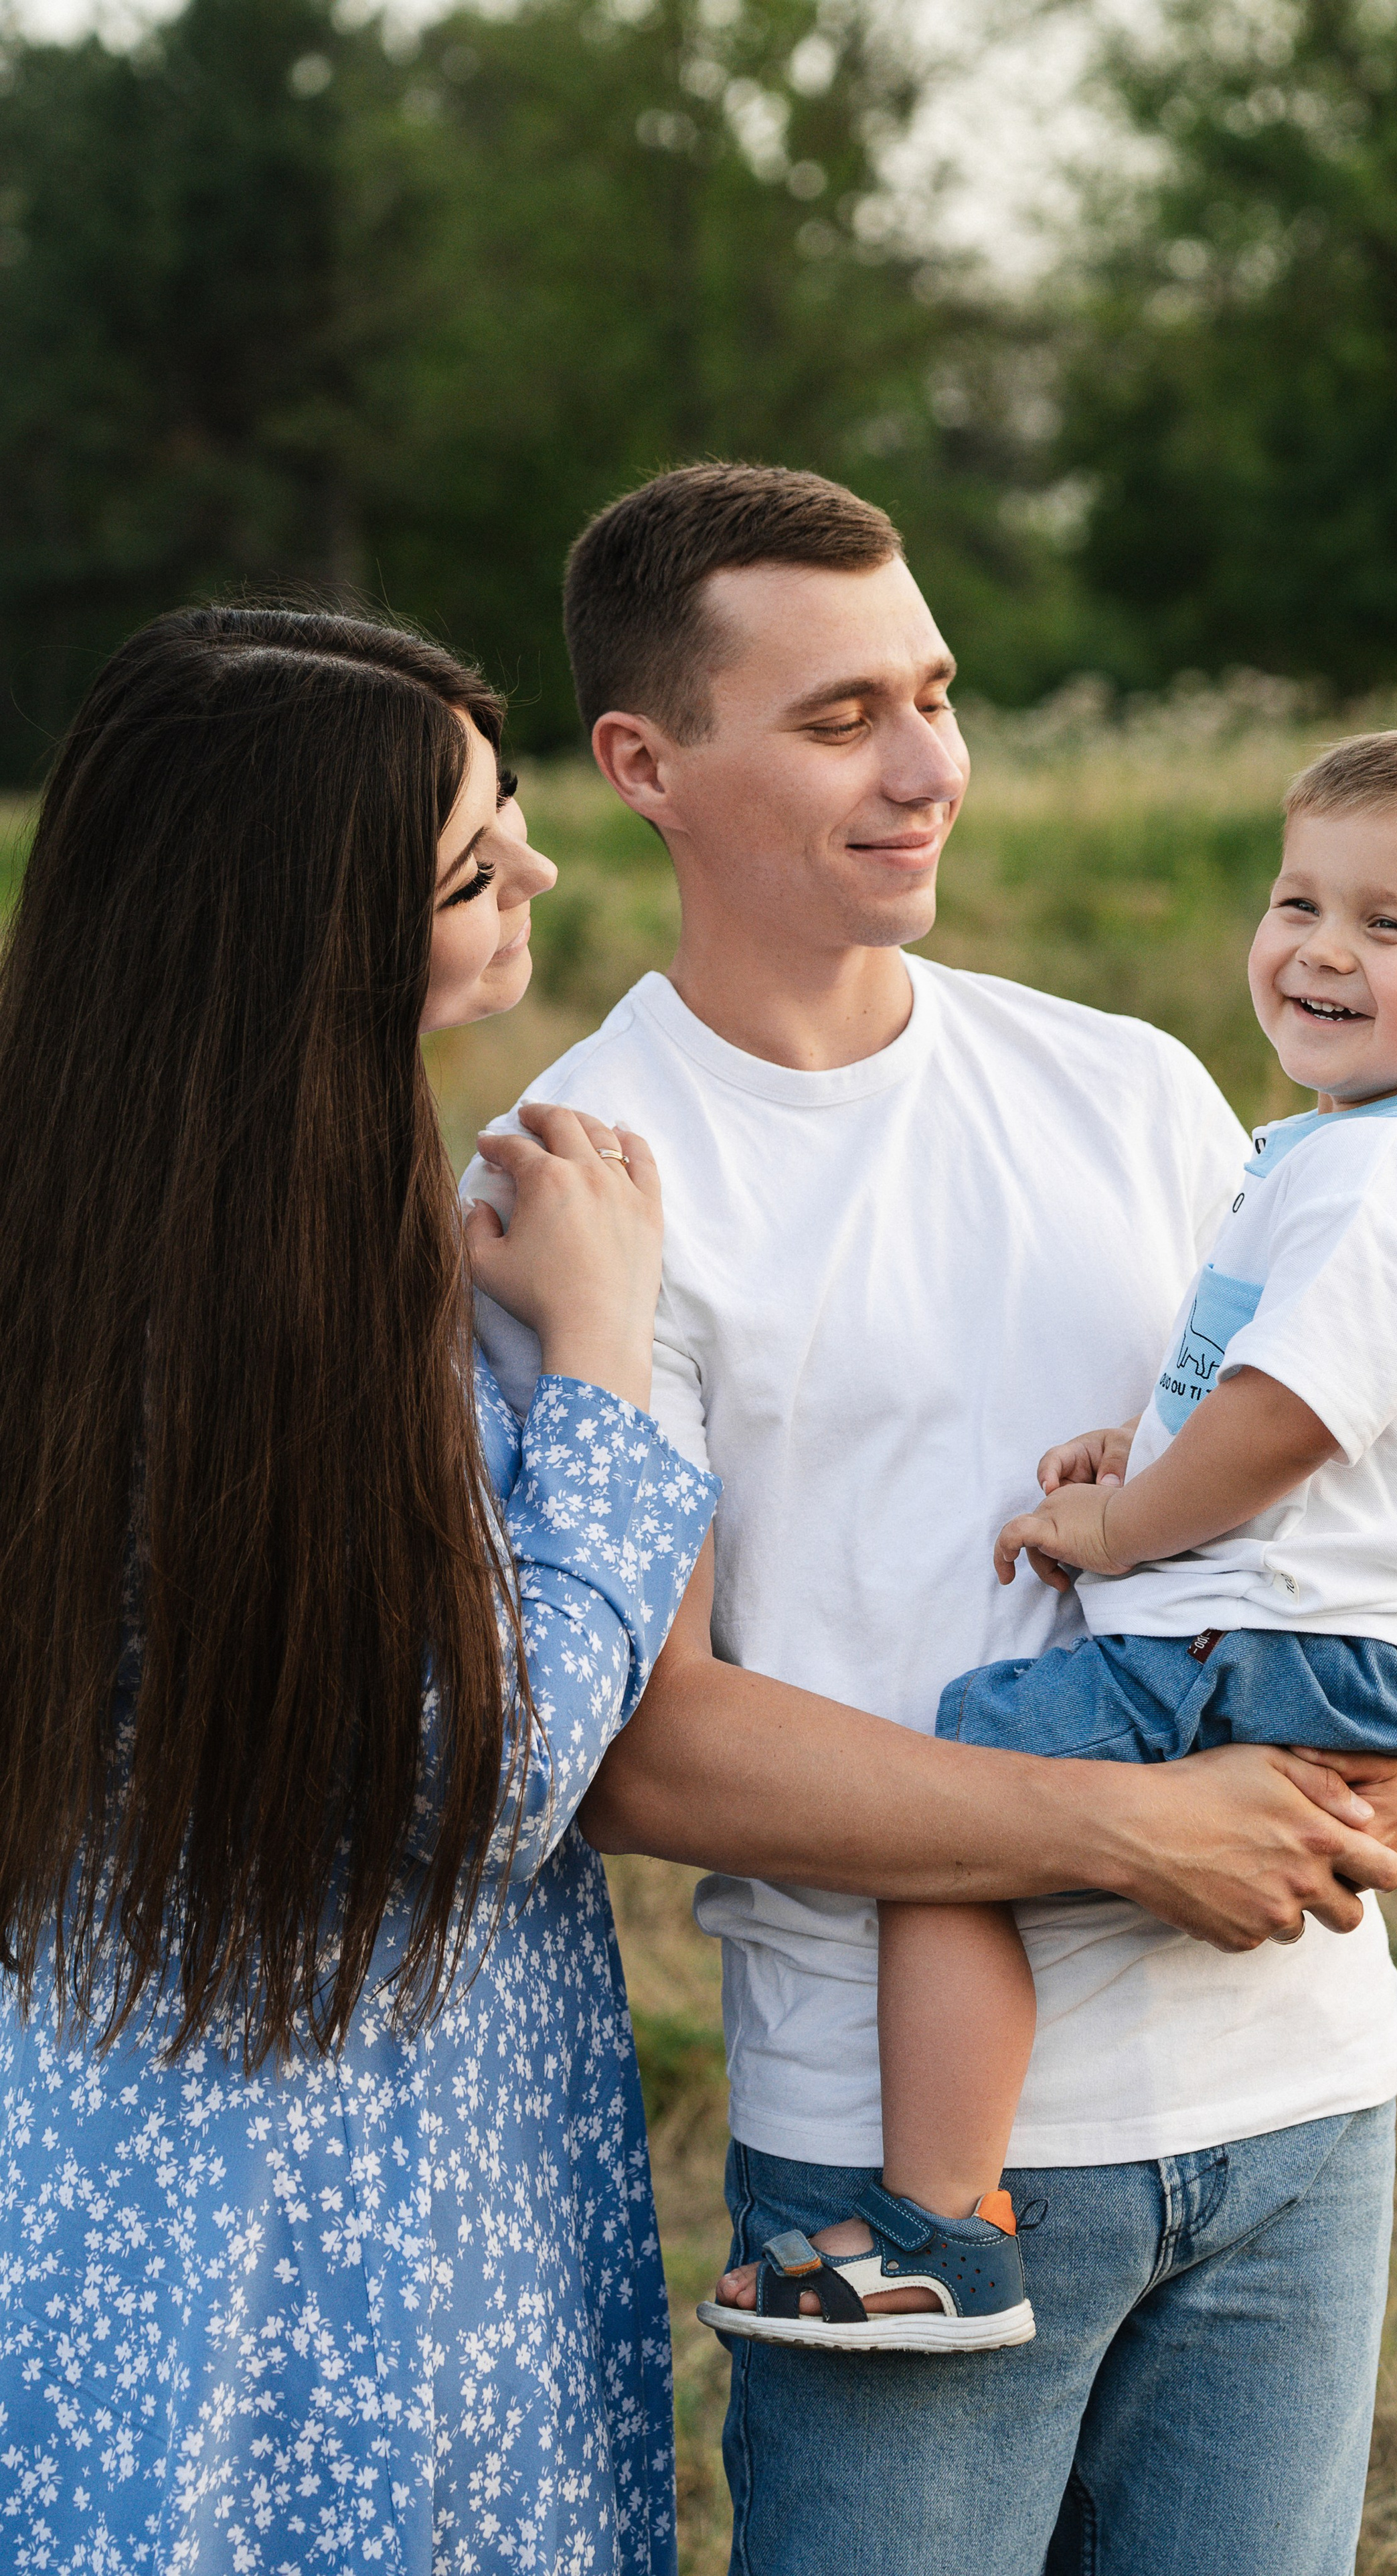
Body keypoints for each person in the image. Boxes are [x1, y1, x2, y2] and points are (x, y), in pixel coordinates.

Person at [469, 464, 1397, 2576]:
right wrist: (1131, 1832)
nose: (929, 768)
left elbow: (1338, 1512)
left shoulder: (1137, 1087)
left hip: (1298, 2095)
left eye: (935, 692)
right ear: (644, 762)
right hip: (906, 2189)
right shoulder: (580, 1191)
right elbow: (640, 1742)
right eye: (837, 720)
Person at [710, 727, 1397, 2356]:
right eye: (1296, 901)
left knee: (961, 1793)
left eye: (1388, 928)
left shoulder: (1373, 1178)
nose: (1321, 951)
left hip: (1293, 1639)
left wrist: (1121, 1519)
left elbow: (1282, 1423)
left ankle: (936, 2225)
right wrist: (1156, 1440)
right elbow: (1326, 1403)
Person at [0, 606, 720, 2575]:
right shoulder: (267, 1295)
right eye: (474, 864)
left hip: (120, 2122)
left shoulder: (111, 1195)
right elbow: (479, 1777)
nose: (541, 874)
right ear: (302, 935)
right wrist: (600, 1362)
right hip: (321, 2192)